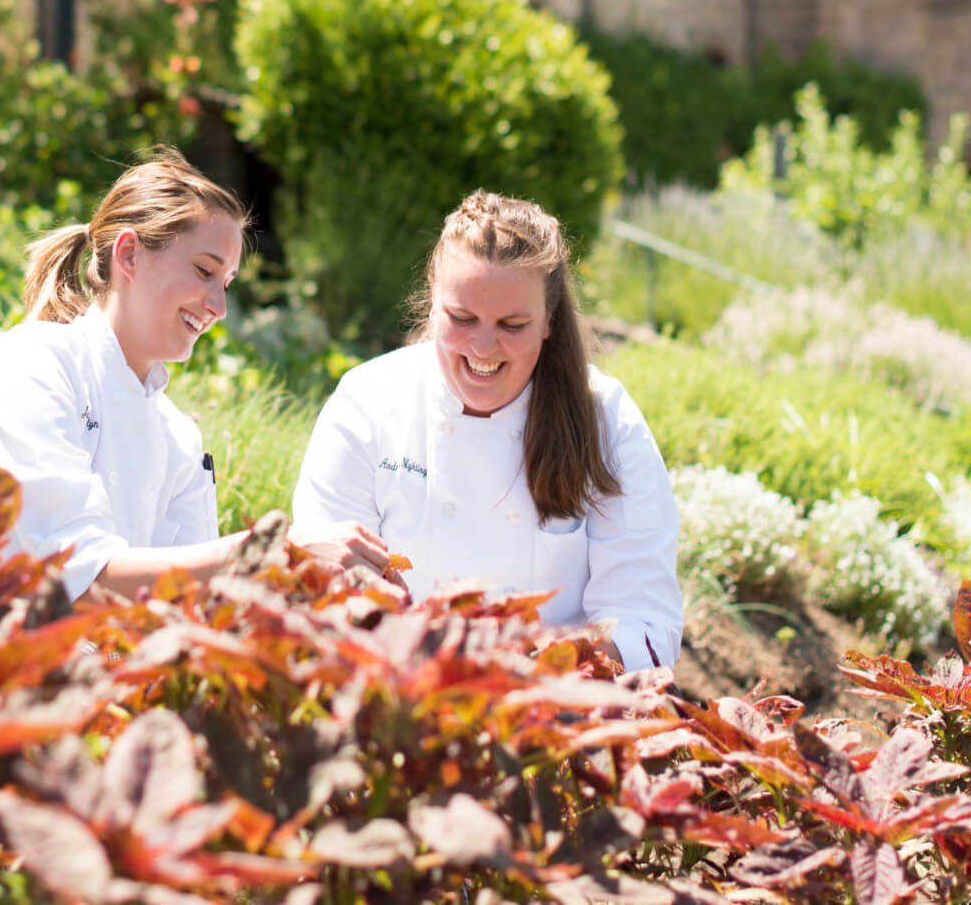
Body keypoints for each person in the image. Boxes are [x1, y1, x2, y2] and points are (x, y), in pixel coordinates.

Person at [0, 151, 395, 598]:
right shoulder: (30, 367)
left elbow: (186, 606)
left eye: (227, 283)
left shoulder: (178, 436)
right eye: (204, 271)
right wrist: (276, 548)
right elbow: (86, 577)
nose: (219, 306)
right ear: (129, 254)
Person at [291, 190, 684, 669]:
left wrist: (546, 668)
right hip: (397, 693)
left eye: (512, 324)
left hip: (557, 709)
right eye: (461, 318)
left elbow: (642, 611)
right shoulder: (369, 403)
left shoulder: (608, 421)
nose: (482, 347)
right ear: (432, 305)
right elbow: (326, 575)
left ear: (549, 322)